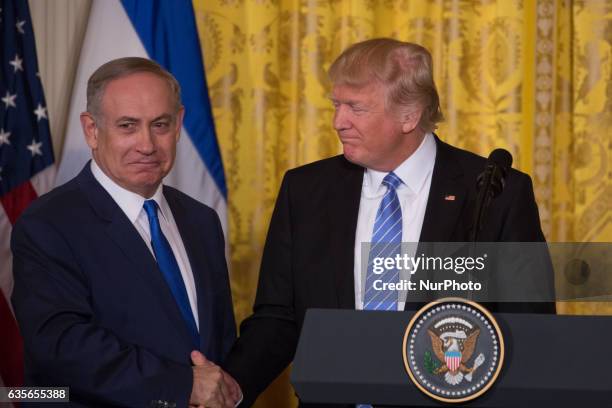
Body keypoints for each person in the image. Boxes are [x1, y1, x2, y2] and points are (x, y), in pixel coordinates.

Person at [222, 38, 556, 407]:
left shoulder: (496, 194)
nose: (338, 122)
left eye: (356, 108)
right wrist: (230, 388)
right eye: (336, 105)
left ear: (409, 115)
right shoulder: (305, 190)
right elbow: (278, 317)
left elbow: (528, 331)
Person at [11, 57, 240, 407]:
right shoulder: (48, 223)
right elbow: (62, 344)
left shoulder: (201, 220)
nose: (147, 145)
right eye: (128, 126)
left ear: (179, 124)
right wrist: (181, 386)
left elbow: (219, 340)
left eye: (160, 125)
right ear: (91, 130)